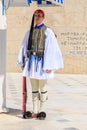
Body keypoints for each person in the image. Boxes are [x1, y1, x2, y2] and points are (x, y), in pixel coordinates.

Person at [18, 9, 64, 120]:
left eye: (39, 15)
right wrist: (22, 61)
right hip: (32, 64)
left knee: (42, 88)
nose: (37, 17)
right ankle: (35, 111)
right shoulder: (29, 32)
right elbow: (23, 47)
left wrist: (49, 65)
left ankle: (42, 110)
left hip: (42, 63)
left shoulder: (48, 32)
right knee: (34, 88)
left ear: (43, 17)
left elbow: (51, 49)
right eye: (35, 15)